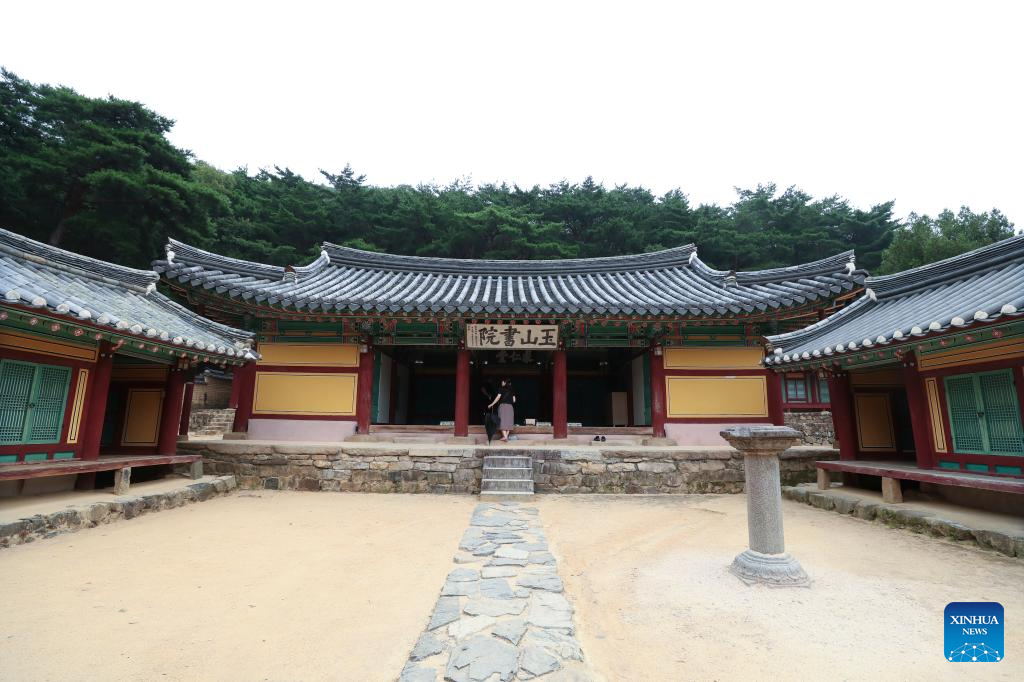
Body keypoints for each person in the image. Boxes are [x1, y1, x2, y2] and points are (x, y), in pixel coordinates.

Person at [487, 378, 516, 442]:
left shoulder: (501, 389)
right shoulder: (512, 390)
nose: (501, 383)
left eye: (502, 382)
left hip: (503, 407)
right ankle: (506, 436)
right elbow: (514, 400)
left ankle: (505, 437)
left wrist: (492, 404)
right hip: (510, 407)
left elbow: (498, 397)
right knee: (509, 422)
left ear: (505, 382)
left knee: (501, 421)